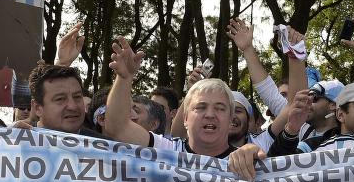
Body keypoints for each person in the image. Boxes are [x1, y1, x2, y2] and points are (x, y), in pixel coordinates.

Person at [104, 37, 235, 158]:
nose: (210, 114)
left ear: (230, 119)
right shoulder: (165, 150)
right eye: (200, 107)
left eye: (220, 108)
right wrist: (125, 78)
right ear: (185, 118)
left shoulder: (250, 163)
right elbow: (117, 127)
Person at [27, 63, 105, 137]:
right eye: (60, 99)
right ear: (37, 108)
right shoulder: (18, 142)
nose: (73, 106)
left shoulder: (105, 147)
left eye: (77, 97)